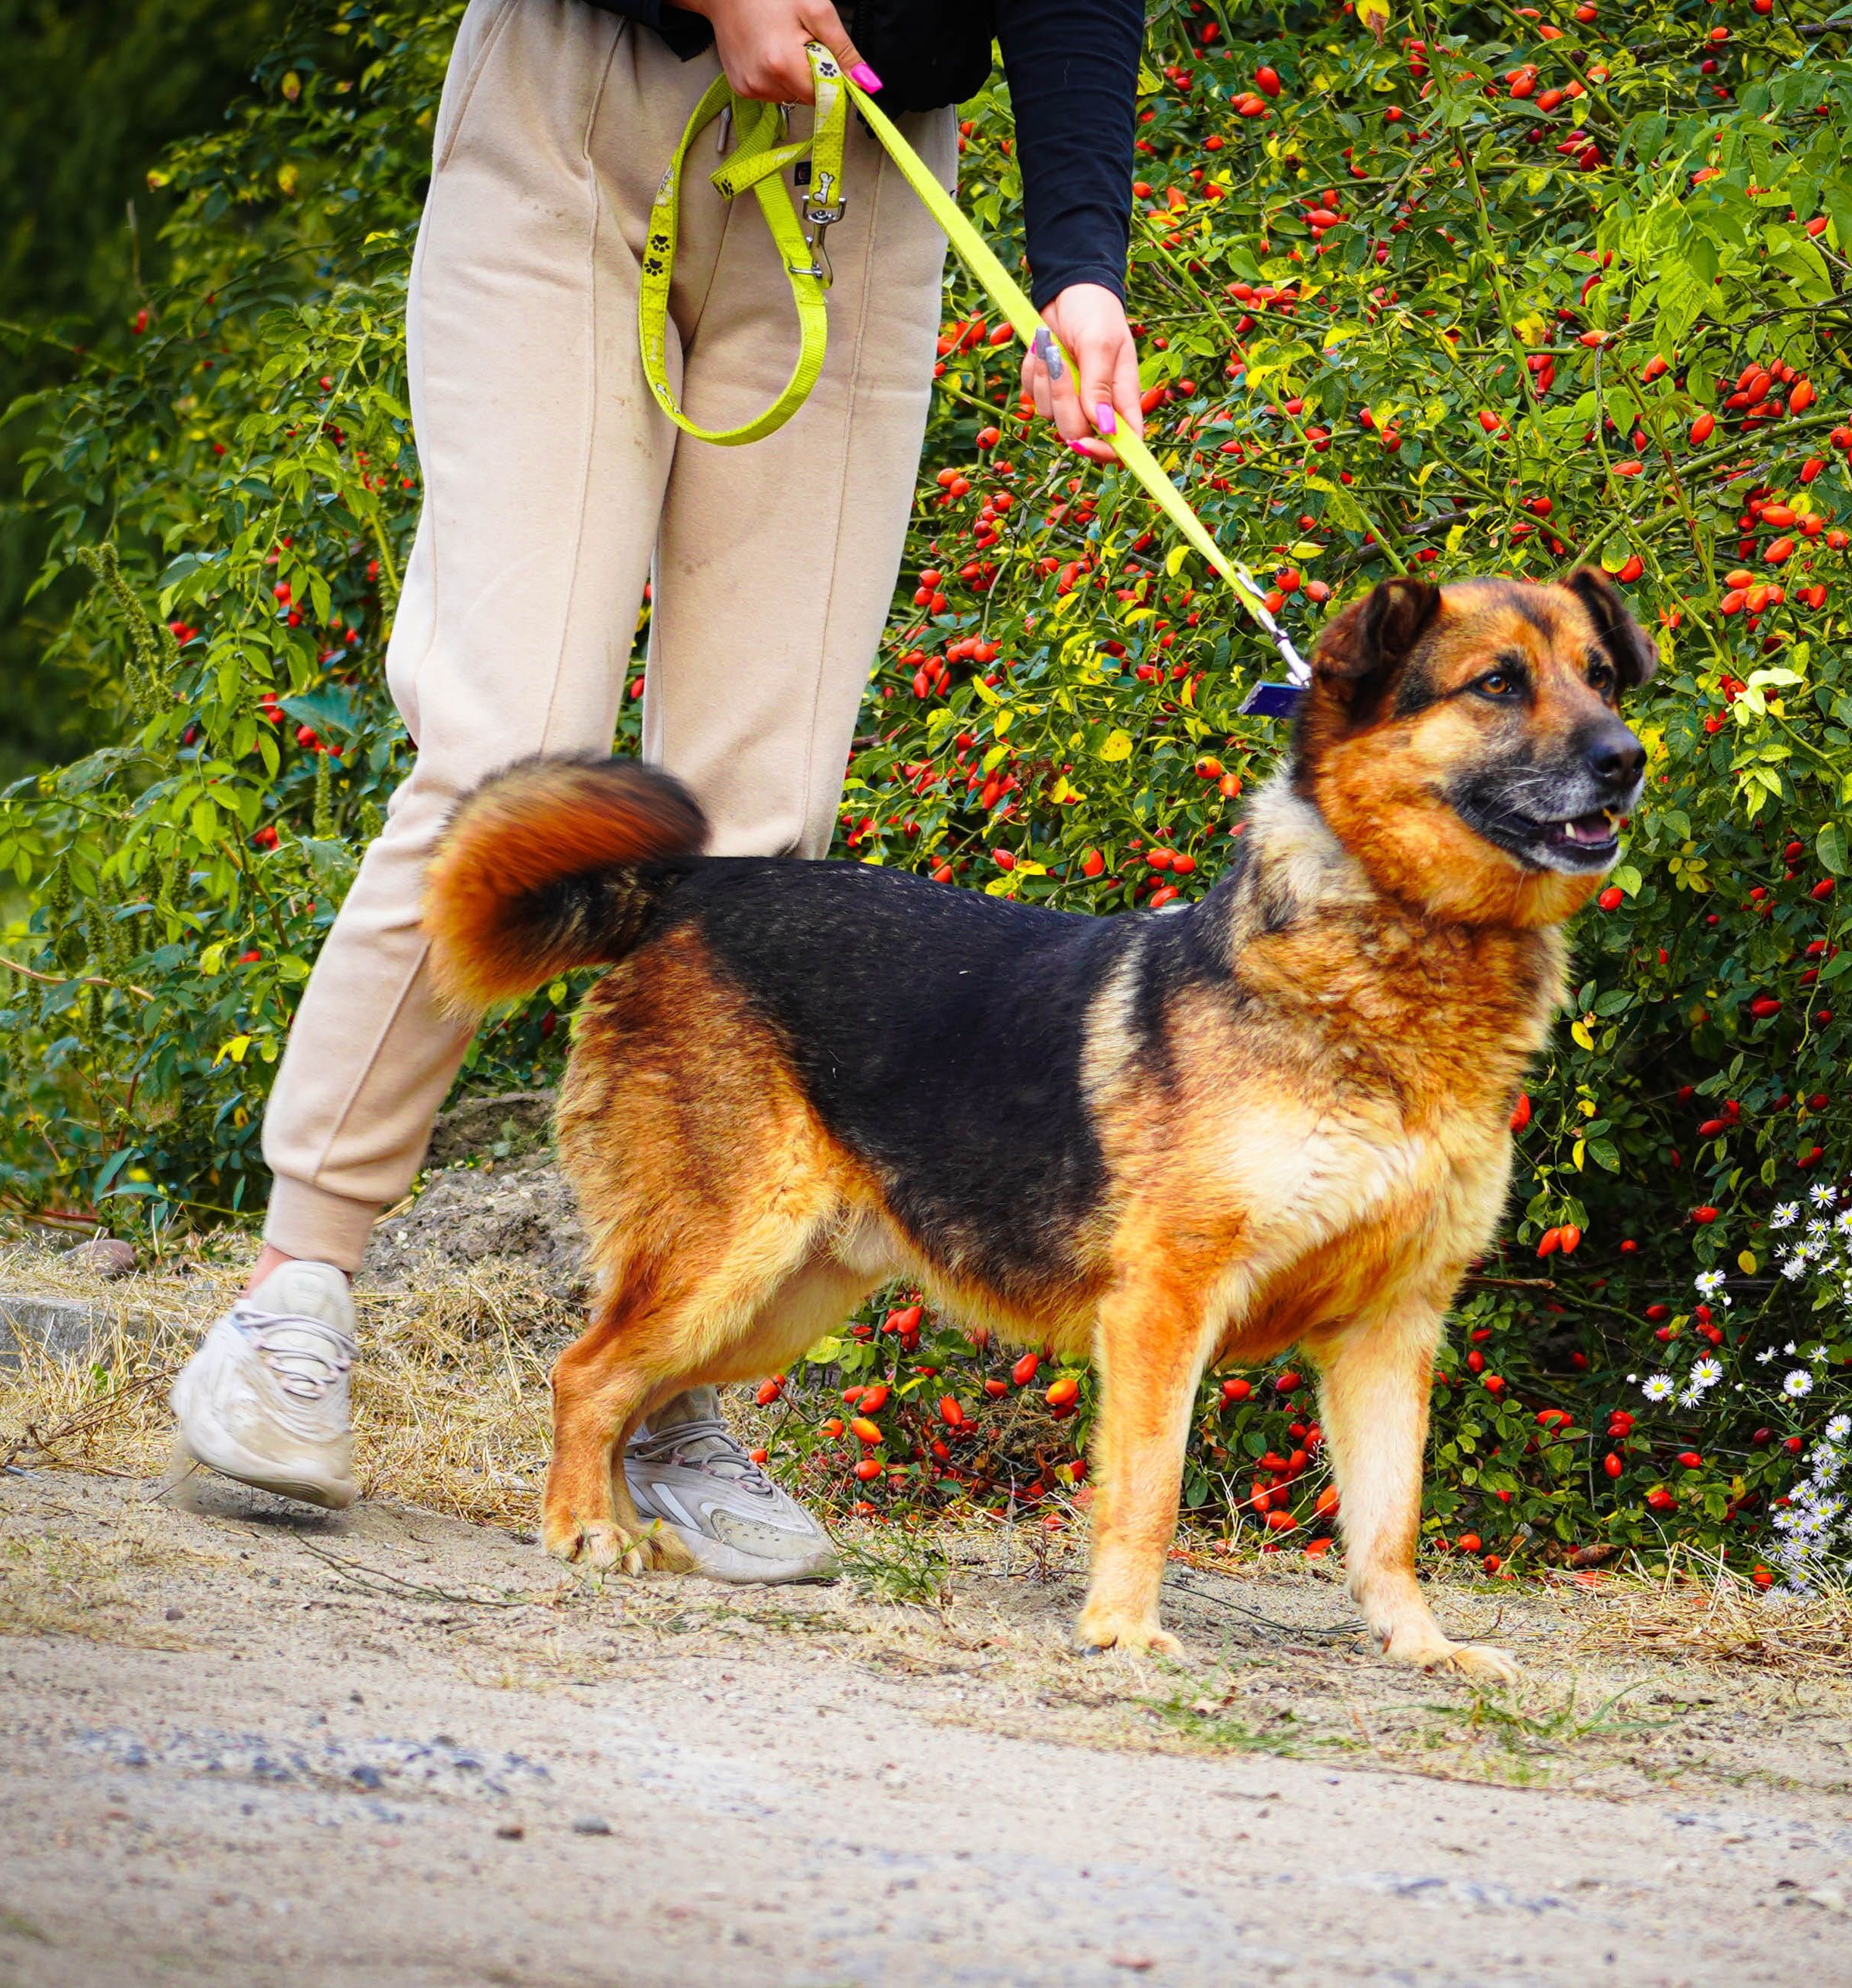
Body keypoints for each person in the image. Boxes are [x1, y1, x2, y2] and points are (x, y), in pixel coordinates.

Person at [169, 0, 1144, 1577]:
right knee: (513, 761)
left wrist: (1081, 259)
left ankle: (678, 1388)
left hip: (864, 179)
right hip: (582, 108)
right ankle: (295, 1294)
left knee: (761, 844)